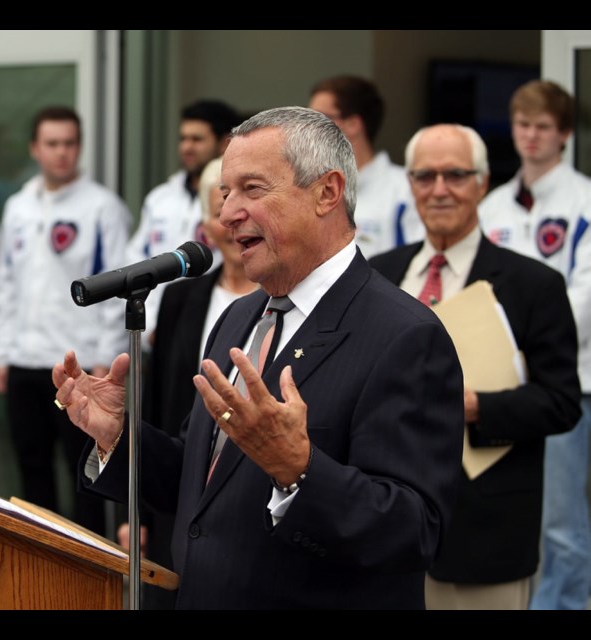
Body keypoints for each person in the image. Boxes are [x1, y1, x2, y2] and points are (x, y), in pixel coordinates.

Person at [52, 106, 466, 609]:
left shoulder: (405, 335)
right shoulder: (240, 317)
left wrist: (298, 469)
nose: (227, 214)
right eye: (226, 193)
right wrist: (119, 437)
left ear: (327, 193)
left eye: (252, 189)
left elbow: (415, 531)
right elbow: (205, 482)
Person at [370, 123, 581, 609]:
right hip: (379, 536)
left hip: (484, 539)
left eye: (456, 175)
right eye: (425, 176)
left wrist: (472, 407)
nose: (439, 190)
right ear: (411, 186)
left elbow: (561, 402)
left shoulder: (535, 286)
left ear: (483, 183)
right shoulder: (376, 275)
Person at [118, 156, 259, 609]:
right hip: (177, 503)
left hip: (250, 512)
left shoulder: (279, 303)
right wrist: (136, 510)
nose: (234, 218)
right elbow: (159, 406)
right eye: (221, 202)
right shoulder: (182, 295)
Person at [0, 105, 131, 535]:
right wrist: (2, 352)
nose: (62, 153)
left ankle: (88, 572)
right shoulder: (17, 206)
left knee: (84, 477)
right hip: (25, 359)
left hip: (80, 364)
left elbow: (117, 286)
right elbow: (5, 281)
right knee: (32, 473)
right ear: (35, 148)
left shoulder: (103, 207)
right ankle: (40, 567)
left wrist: (109, 355)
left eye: (70, 143)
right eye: (52, 143)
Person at [477, 79, 591, 610]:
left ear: (565, 134)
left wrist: (529, 341)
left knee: (562, 521)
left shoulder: (584, 199)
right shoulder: (494, 203)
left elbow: (585, 292)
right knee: (512, 509)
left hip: (564, 377)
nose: (531, 136)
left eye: (543, 126)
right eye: (523, 125)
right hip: (496, 385)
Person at [125, 99, 240, 347]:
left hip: (217, 326)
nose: (187, 147)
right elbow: (137, 264)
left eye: (197, 139)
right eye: (183, 138)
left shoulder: (238, 200)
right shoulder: (160, 198)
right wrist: (152, 326)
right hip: (160, 332)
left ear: (224, 143)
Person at [309, 75, 423, 259]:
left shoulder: (406, 189)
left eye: (319, 119)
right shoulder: (309, 189)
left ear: (353, 124)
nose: (308, 129)